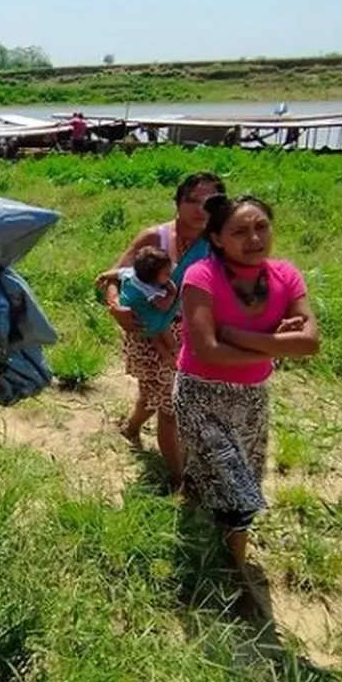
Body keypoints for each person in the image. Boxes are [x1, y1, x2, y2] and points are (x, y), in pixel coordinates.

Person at [176, 195, 319, 583]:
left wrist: (241, 335)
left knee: (242, 469)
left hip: (254, 395)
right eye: (240, 231)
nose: (254, 238)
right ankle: (232, 568)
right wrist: (274, 343)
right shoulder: (201, 277)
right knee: (237, 485)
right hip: (201, 393)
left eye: (261, 227)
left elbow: (309, 343)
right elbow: (207, 351)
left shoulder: (285, 275)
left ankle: (192, 510)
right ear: (218, 239)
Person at [100, 171, 226, 486]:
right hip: (148, 329)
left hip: (193, 334)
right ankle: (180, 478)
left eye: (209, 203)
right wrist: (116, 308)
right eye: (192, 201)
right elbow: (116, 277)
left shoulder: (219, 244)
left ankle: (131, 427)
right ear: (178, 202)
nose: (200, 209)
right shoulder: (154, 238)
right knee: (170, 406)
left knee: (158, 396)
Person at [98, 247, 178, 362]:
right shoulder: (149, 290)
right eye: (167, 273)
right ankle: (174, 350)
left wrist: (103, 275)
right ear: (152, 278)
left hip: (137, 318)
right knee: (163, 328)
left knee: (154, 338)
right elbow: (164, 307)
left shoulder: (130, 273)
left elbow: (116, 273)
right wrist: (172, 294)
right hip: (144, 320)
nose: (170, 274)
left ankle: (167, 357)